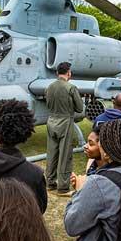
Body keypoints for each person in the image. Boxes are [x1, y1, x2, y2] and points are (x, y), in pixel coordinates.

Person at [44, 62, 84, 196]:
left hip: (51, 121)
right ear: (69, 73)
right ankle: (63, 187)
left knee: (52, 153)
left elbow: (48, 103)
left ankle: (49, 183)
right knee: (65, 155)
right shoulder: (71, 87)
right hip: (65, 121)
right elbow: (79, 108)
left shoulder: (49, 87)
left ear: (57, 73)